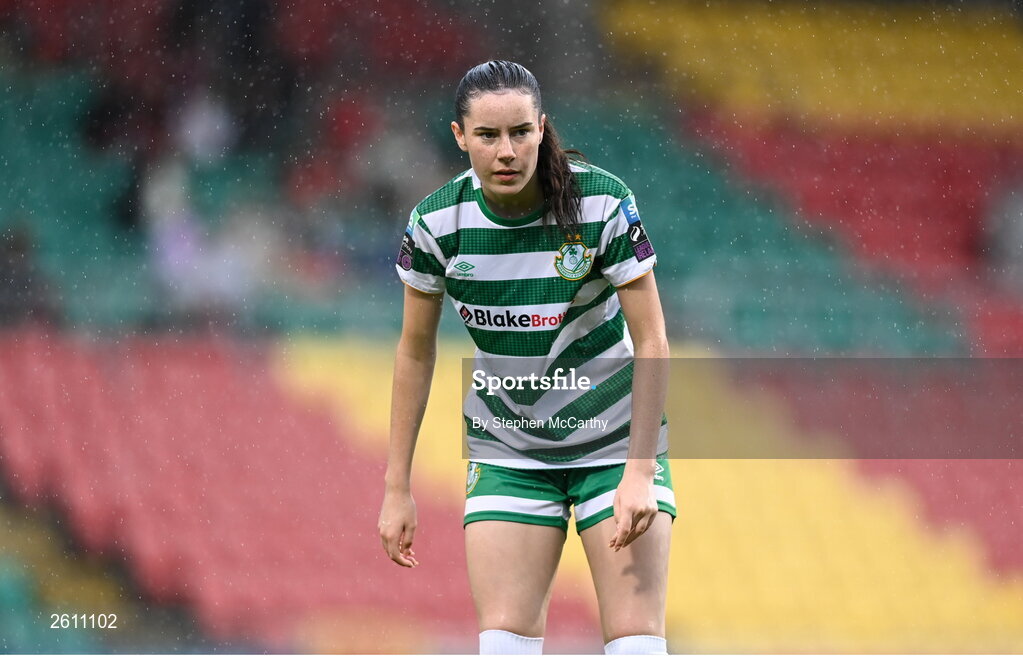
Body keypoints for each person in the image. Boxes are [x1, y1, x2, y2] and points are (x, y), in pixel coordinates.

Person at [378, 60, 674, 655]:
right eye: (487, 136)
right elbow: (415, 352)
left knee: (637, 647)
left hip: (611, 443)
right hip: (509, 447)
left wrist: (640, 471)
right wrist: (396, 486)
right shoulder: (436, 224)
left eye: (520, 132)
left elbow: (653, 343)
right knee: (505, 645)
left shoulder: (602, 203)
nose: (506, 151)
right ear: (460, 137)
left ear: (542, 128)